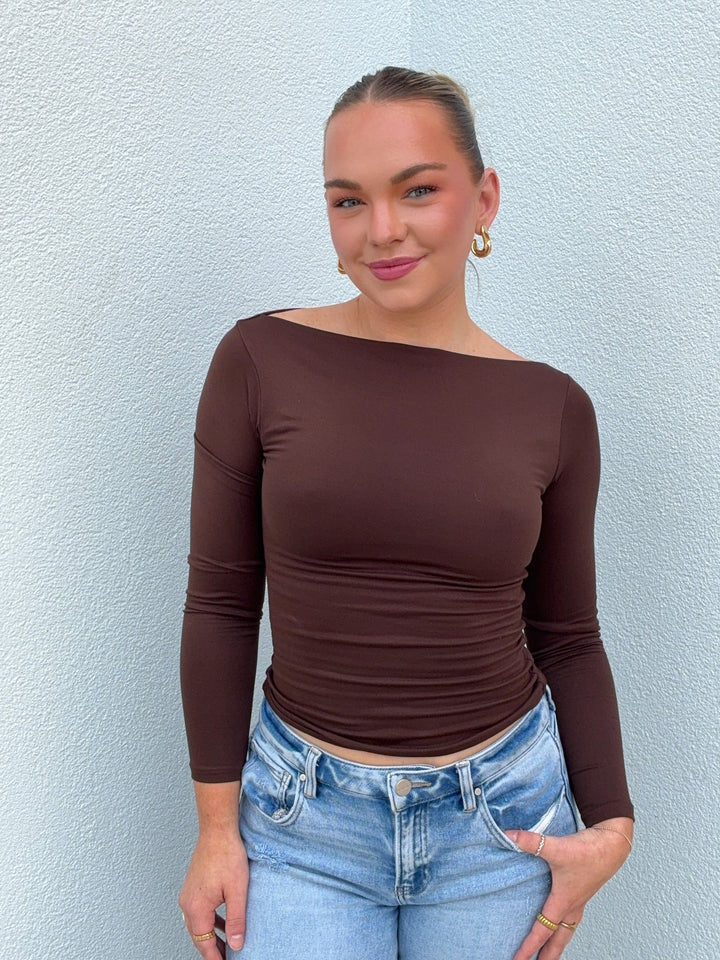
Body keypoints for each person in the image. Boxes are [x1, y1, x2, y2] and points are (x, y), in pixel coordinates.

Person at [178, 66, 634, 960]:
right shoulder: (258, 359)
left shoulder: (554, 409)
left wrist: (611, 825)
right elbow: (223, 607)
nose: (381, 230)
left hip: (501, 827)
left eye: (417, 190)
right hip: (302, 823)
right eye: (348, 201)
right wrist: (215, 829)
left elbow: (568, 634)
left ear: (484, 198)